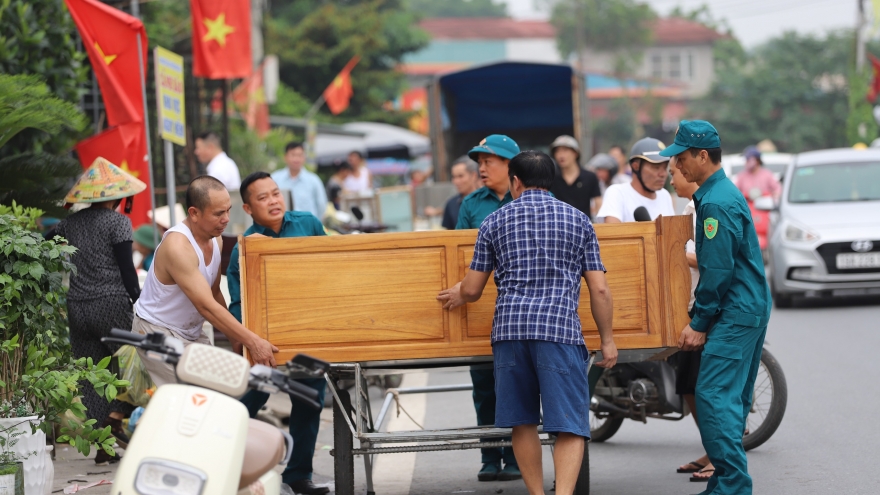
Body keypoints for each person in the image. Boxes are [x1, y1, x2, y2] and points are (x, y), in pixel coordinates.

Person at [437, 151, 617, 495]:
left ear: (515, 181)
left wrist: (457, 292)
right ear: (550, 181)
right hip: (559, 331)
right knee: (569, 425)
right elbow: (600, 288)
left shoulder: (494, 222)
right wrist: (607, 339)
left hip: (510, 332)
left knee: (522, 421)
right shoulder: (578, 220)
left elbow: (473, 289)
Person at [665, 120, 772, 495]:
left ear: (703, 156)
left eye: (680, 158)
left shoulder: (715, 202)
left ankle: (731, 485)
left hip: (736, 309)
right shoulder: (718, 193)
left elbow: (718, 270)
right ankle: (729, 483)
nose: (677, 167)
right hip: (748, 305)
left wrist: (699, 321)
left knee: (711, 395)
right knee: (734, 398)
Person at [228, 172, 329, 495]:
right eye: (263, 197)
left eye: (276, 194)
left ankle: (298, 475)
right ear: (247, 208)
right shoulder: (243, 248)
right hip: (264, 342)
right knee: (251, 400)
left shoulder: (309, 224)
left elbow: (332, 267)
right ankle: (226, 464)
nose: (273, 201)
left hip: (308, 332)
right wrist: (252, 343)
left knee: (309, 400)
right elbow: (238, 303)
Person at [132, 176, 278, 386]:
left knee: (219, 389)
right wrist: (252, 341)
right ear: (194, 213)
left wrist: (236, 338)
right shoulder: (178, 247)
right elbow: (206, 306)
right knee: (192, 398)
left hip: (189, 331)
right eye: (219, 213)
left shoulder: (215, 238)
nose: (226, 219)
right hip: (157, 329)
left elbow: (214, 291)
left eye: (228, 210)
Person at [55, 158, 145, 465]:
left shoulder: (68, 224)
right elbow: (127, 270)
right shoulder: (118, 222)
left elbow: (47, 246)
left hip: (78, 307)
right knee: (129, 370)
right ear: (118, 197)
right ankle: (116, 422)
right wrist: (140, 300)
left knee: (92, 375)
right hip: (112, 306)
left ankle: (103, 446)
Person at [453, 134, 521, 481]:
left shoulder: (532, 197)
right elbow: (460, 254)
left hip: (519, 306)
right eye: (478, 162)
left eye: (488, 161)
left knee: (517, 384)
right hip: (480, 305)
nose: (481, 168)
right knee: (484, 384)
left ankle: (515, 457)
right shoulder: (470, 205)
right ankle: (489, 457)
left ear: (510, 165)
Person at [668, 156, 715, 482]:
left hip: (708, 309)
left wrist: (673, 253)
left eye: (674, 173)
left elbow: (714, 260)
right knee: (687, 386)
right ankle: (711, 448)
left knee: (707, 387)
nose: (672, 179)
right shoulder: (690, 209)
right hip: (689, 305)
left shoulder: (707, 209)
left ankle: (720, 458)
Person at [596, 138, 675, 223]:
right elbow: (612, 233)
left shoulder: (665, 195)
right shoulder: (617, 193)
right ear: (636, 166)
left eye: (665, 168)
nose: (663, 174)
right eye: (656, 168)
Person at [271, 142, 328, 220]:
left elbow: (321, 205)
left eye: (300, 155)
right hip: (281, 228)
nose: (296, 159)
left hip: (307, 228)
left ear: (304, 158)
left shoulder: (314, 180)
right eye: (293, 155)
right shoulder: (275, 179)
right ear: (285, 157)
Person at [548, 135, 602, 219]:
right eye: (557, 151)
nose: (560, 155)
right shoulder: (551, 178)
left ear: (575, 153)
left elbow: (598, 202)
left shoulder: (590, 177)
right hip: (560, 226)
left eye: (565, 150)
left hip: (584, 226)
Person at [441, 157, 482, 230]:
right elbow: (448, 235)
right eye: (454, 177)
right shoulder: (451, 204)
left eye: (461, 176)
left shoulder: (487, 199)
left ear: (473, 176)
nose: (456, 181)